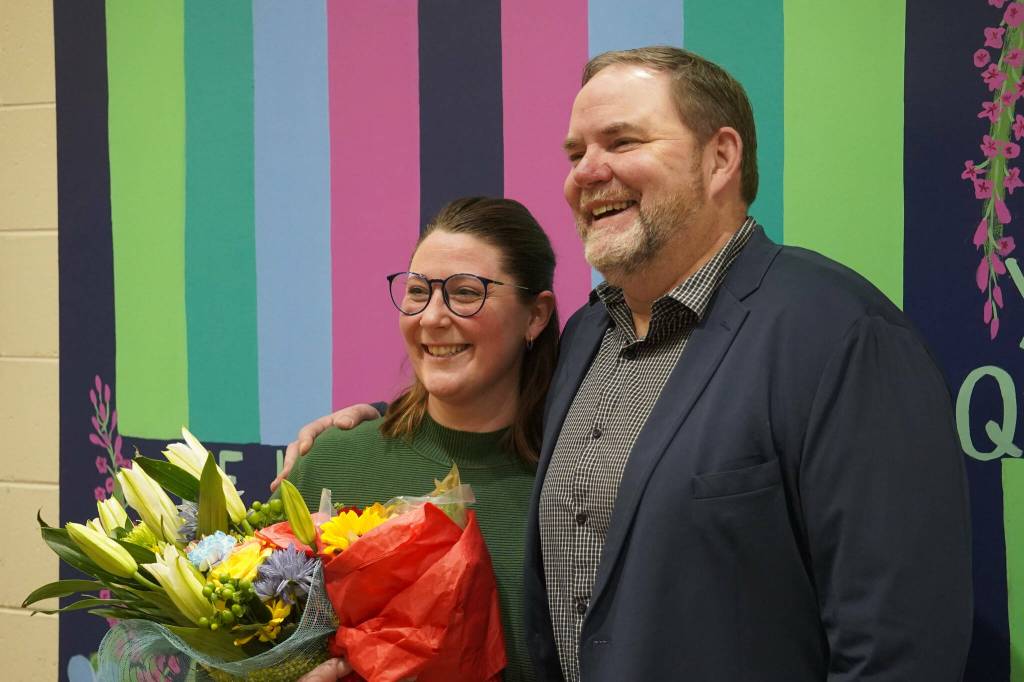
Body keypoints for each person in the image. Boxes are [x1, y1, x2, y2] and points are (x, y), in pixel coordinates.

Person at [277, 47, 973, 681]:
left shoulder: (841, 335)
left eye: (623, 142)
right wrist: (363, 424)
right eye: (576, 152)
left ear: (720, 158)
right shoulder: (587, 337)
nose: (588, 173)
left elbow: (898, 647)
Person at [288, 196, 557, 682]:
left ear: (535, 316)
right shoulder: (329, 464)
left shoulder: (572, 486)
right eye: (417, 292)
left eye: (466, 292)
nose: (431, 317)